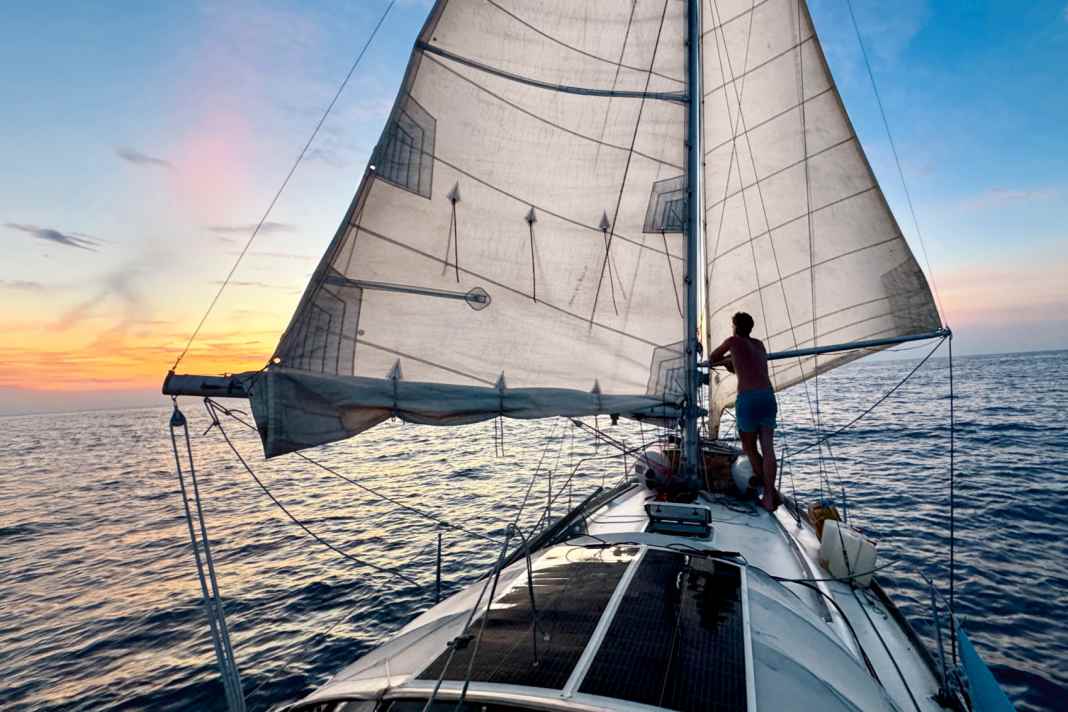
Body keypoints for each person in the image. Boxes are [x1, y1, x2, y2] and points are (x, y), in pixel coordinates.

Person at [708, 312, 779, 512]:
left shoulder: (732, 341)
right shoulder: (759, 345)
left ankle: (769, 491)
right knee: (768, 448)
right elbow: (748, 363)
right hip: (767, 396)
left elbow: (713, 358)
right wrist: (734, 362)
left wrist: (729, 360)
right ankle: (770, 496)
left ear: (735, 326)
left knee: (748, 447)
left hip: (748, 398)